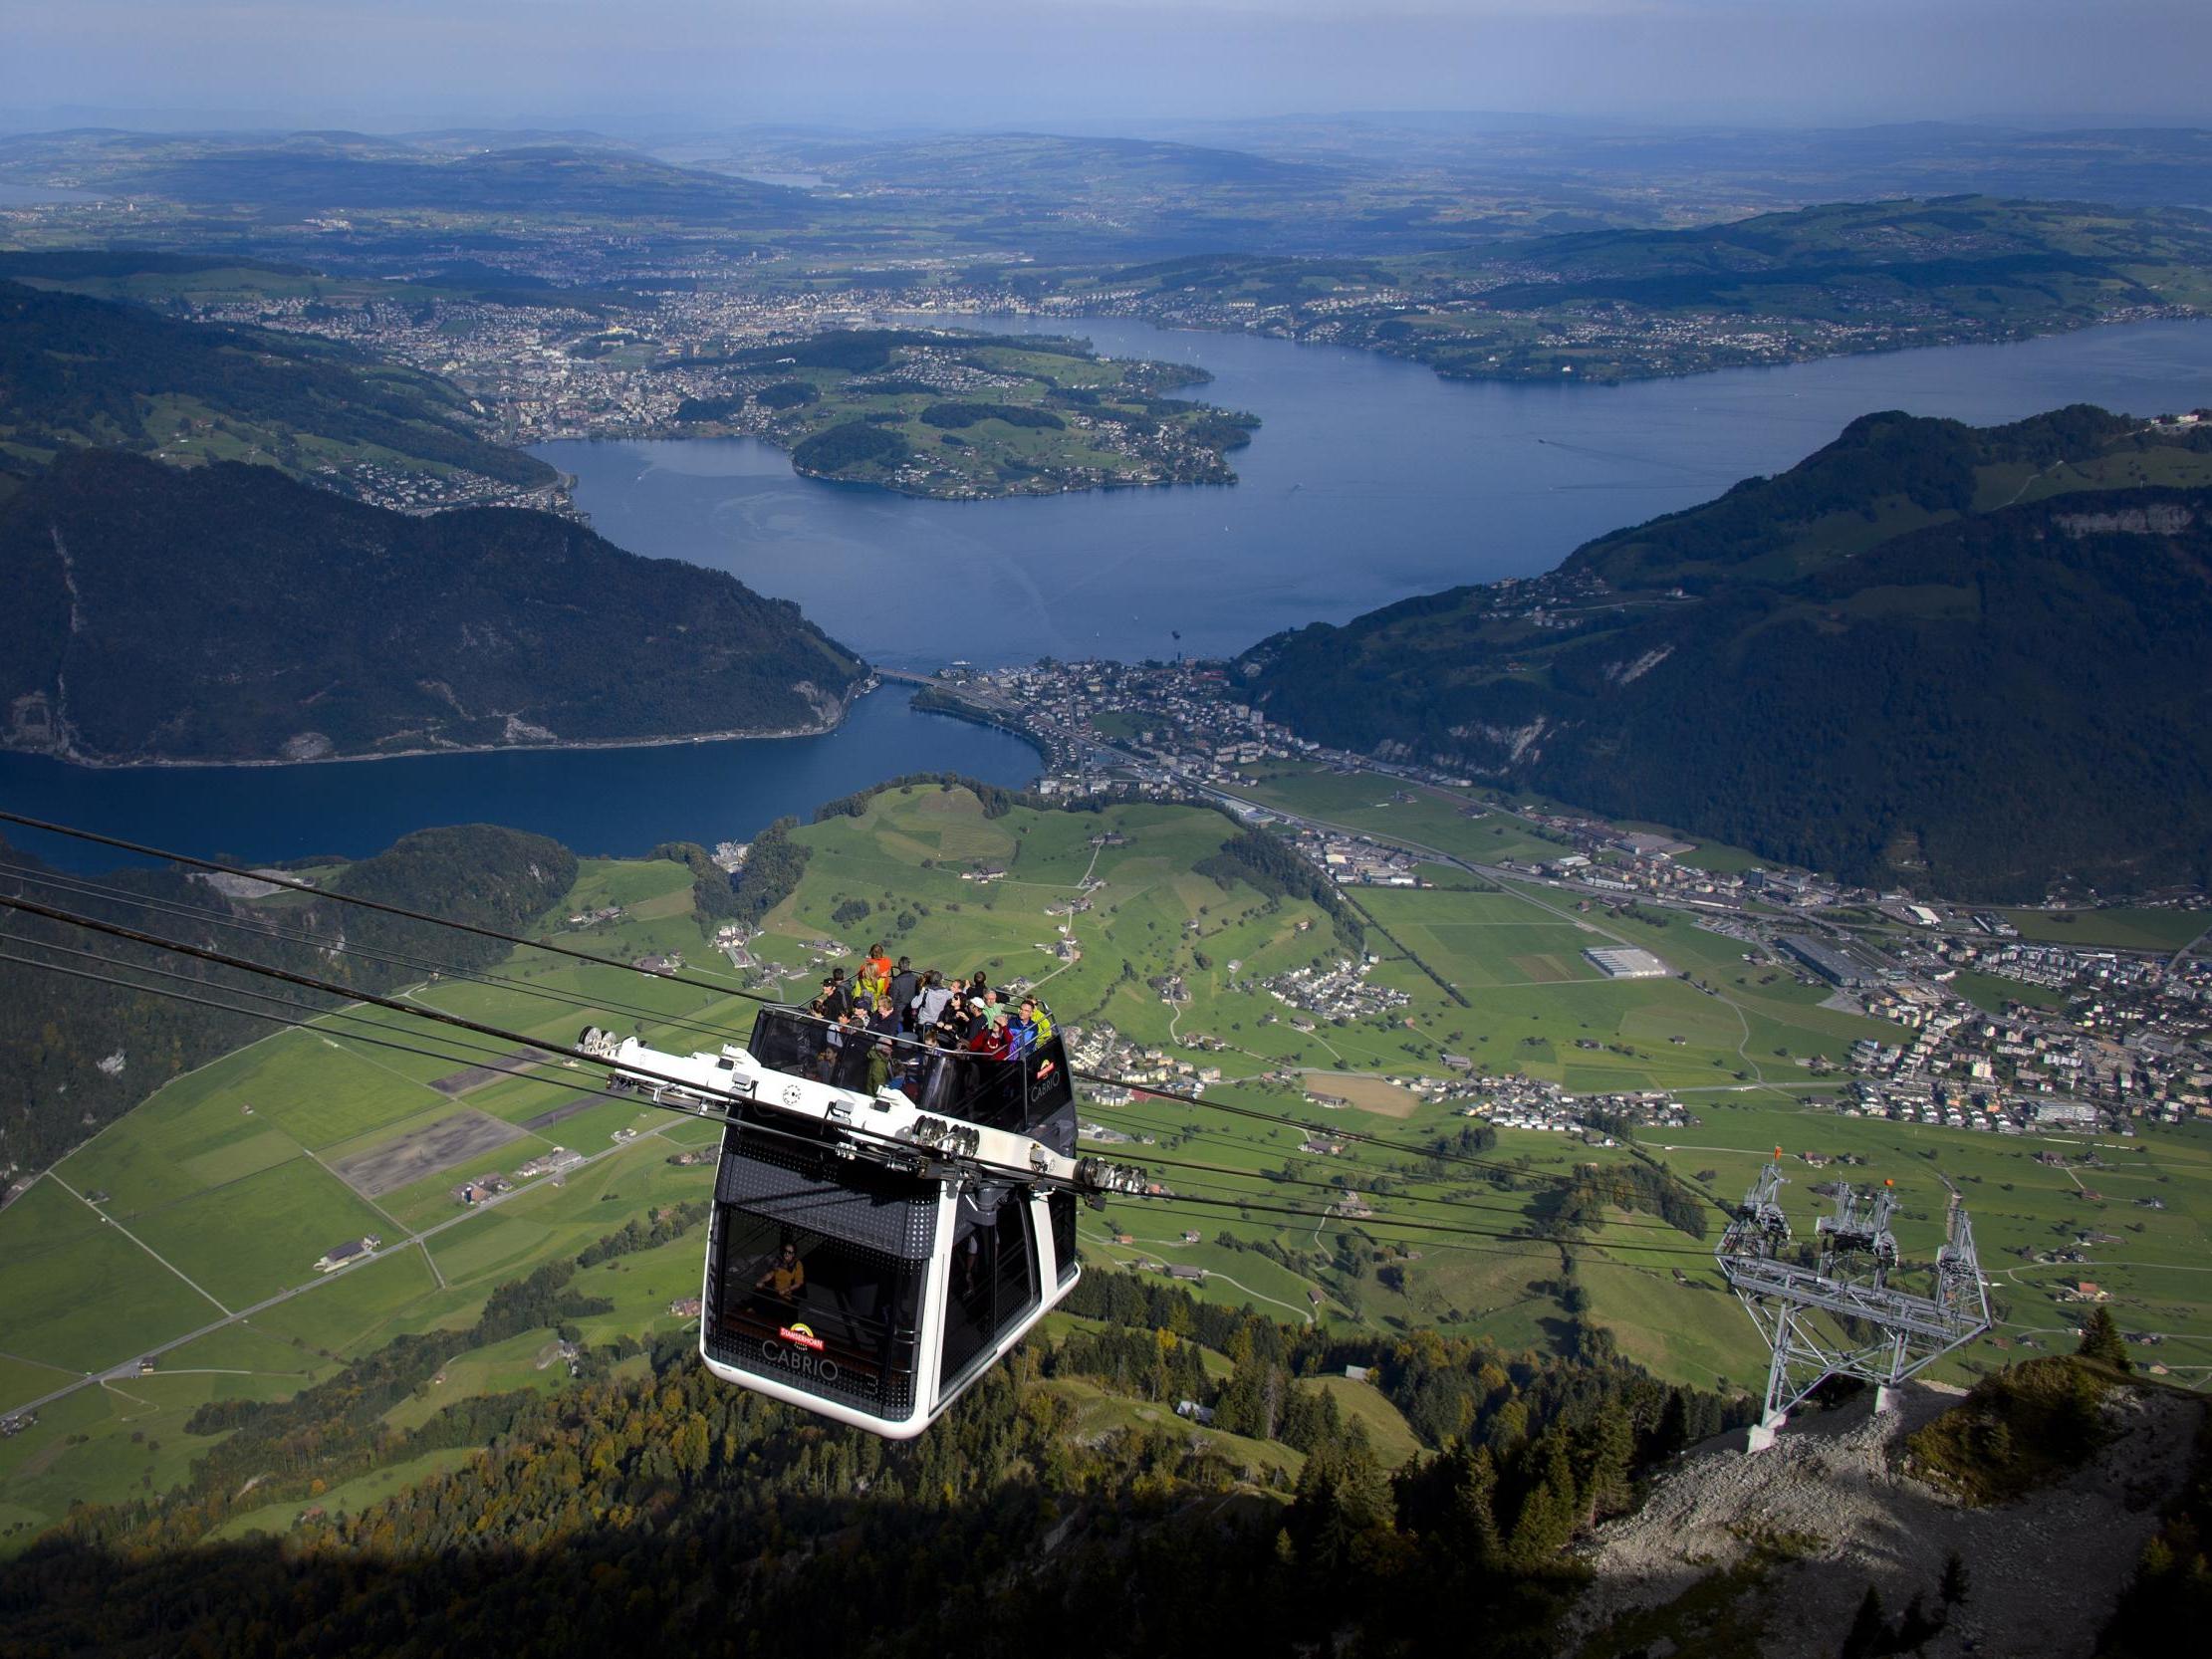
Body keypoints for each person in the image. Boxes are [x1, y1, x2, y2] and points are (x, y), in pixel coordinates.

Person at [755, 1239, 806, 1304]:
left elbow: (798, 1283)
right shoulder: (778, 1261)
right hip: (774, 1292)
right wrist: (761, 1281)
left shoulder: (797, 1264)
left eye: (789, 1252)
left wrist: (785, 1290)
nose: (786, 1254)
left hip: (786, 1296)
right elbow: (770, 1274)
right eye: (785, 1251)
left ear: (793, 1254)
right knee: (758, 1293)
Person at [887, 957, 919, 1030]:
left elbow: (892, 1000)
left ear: (899, 967)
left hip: (899, 1015)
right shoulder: (916, 979)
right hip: (913, 1012)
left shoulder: (896, 982)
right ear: (910, 966)